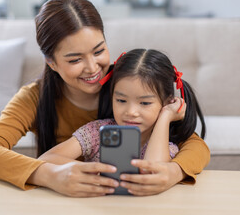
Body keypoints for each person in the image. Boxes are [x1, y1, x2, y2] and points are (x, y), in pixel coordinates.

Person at [0, 0, 210, 197]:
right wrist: (48, 174)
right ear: (51, 62)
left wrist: (173, 172)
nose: (93, 67)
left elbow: (194, 145)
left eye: (99, 50)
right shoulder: (34, 97)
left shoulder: (125, 85)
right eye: (75, 59)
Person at [38, 49, 205, 195]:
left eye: (145, 103)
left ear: (167, 102)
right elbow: (48, 158)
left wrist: (166, 116)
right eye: (121, 100)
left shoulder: (165, 145)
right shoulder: (97, 132)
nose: (130, 112)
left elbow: (152, 174)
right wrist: (97, 173)